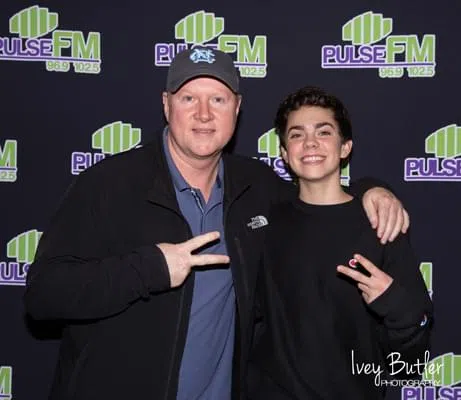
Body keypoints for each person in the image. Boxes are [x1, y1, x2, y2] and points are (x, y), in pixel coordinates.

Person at [24, 48, 408, 400]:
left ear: (237, 108)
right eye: (189, 98)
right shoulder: (109, 184)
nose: (204, 114)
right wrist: (149, 269)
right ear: (166, 104)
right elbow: (43, 295)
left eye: (218, 100)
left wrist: (371, 189)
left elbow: (318, 191)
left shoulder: (255, 186)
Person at [247, 86, 433, 399]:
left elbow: (409, 365)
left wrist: (396, 307)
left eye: (324, 132)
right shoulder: (263, 221)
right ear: (284, 153)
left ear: (345, 147)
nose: (310, 143)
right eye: (296, 134)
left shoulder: (381, 222)